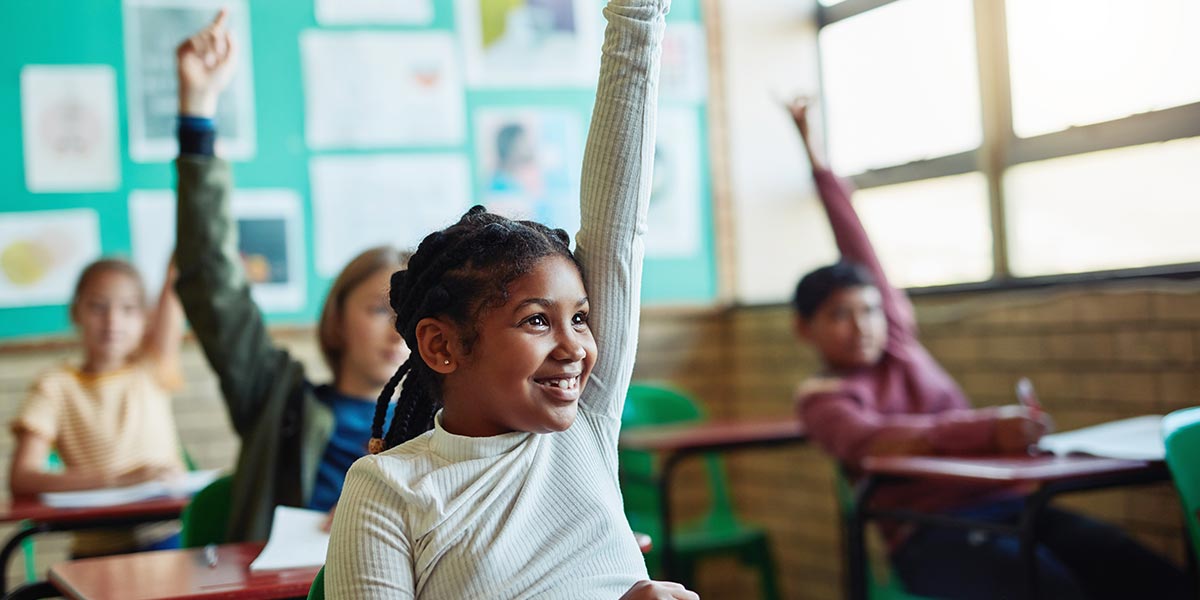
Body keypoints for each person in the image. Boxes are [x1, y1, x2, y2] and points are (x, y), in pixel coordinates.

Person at [324, 1, 696, 598]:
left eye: (579, 317)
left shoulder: (583, 426)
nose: (575, 345)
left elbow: (618, 228)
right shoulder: (388, 488)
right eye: (535, 321)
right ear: (442, 346)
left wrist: (638, 15)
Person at [786, 98, 1190, 599]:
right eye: (838, 316)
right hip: (930, 532)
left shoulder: (896, 342)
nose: (861, 326)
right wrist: (987, 427)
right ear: (805, 329)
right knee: (1058, 590)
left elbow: (857, 245)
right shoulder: (823, 399)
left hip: (1009, 504)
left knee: (1143, 573)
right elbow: (881, 440)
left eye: (868, 310)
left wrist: (817, 157)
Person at [172, 11, 409, 541]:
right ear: (337, 320)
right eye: (378, 309)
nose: (398, 331)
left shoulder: (447, 423)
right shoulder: (278, 402)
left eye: (411, 316)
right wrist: (198, 114)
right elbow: (210, 279)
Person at [9, 258, 187, 557]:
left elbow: (177, 281)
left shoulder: (152, 366)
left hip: (167, 538)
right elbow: (22, 479)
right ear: (75, 311)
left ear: (145, 318)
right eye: (97, 306)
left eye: (128, 309)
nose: (113, 321)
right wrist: (119, 481)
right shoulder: (55, 386)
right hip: (97, 552)